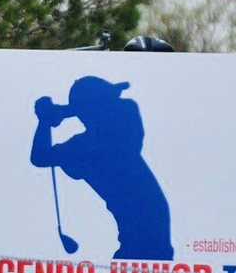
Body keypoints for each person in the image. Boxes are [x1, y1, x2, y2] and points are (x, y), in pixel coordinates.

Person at [31, 76, 173, 260]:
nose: (116, 101)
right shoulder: (113, 126)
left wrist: (47, 118)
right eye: (110, 99)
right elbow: (40, 157)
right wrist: (65, 112)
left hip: (144, 233)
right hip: (145, 231)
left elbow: (40, 156)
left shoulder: (85, 145)